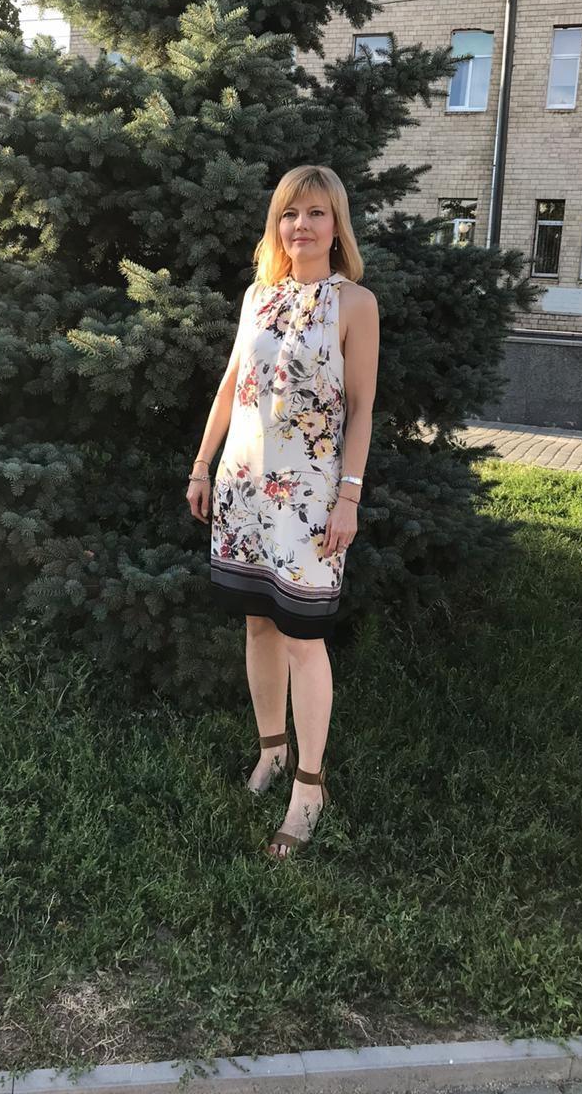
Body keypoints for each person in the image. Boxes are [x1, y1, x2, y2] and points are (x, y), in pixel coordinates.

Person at [186, 165, 380, 859]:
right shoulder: (257, 296)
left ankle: (309, 787)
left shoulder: (354, 303)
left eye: (316, 213)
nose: (302, 225)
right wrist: (202, 464)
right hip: (242, 488)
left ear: (337, 225)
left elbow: (362, 409)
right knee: (258, 624)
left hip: (309, 501)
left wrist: (349, 497)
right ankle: (271, 751)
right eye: (290, 213)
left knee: (303, 637)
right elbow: (230, 385)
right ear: (277, 224)